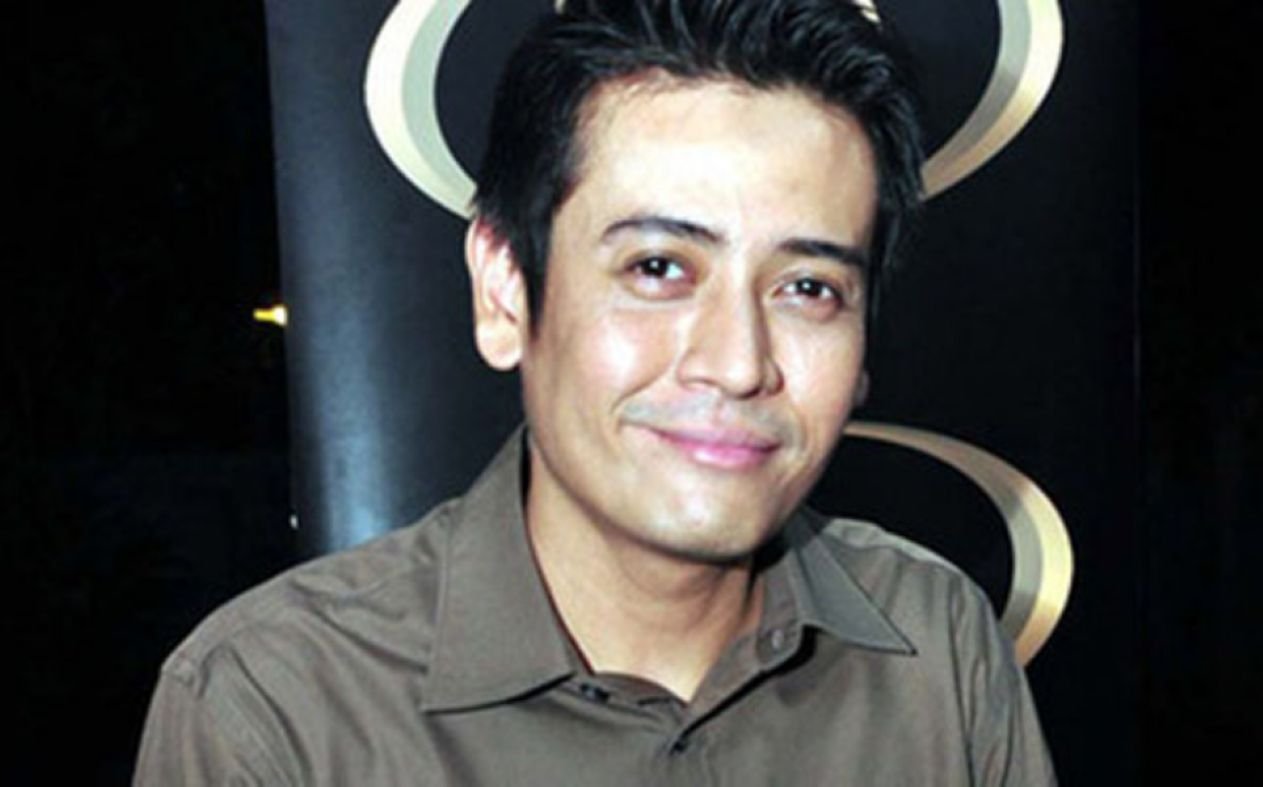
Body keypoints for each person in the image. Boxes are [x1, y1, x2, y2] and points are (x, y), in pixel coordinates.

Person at [135, 1, 1056, 783]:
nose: (737, 362)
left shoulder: (936, 647)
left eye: (808, 288)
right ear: (505, 290)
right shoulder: (280, 707)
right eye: (658, 268)